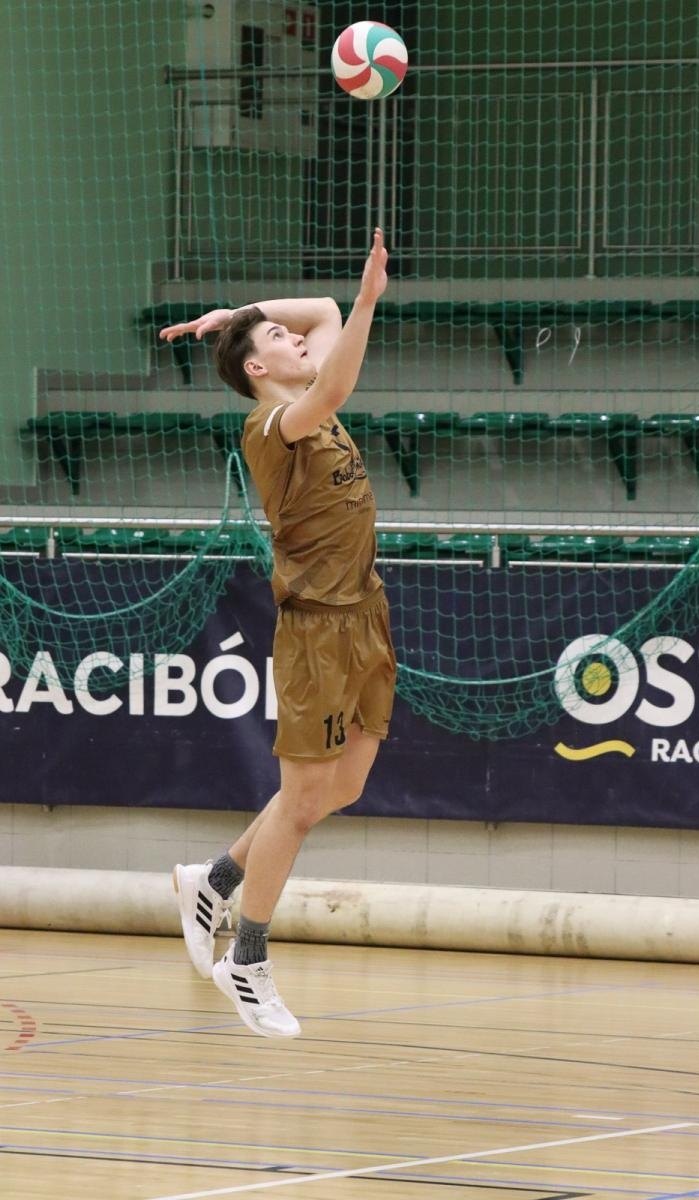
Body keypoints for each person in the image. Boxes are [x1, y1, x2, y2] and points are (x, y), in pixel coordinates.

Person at [158, 229, 396, 1039]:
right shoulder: (272, 429)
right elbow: (337, 344)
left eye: (293, 337)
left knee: (345, 788)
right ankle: (247, 958)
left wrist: (241, 314)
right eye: (278, 339)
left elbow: (320, 308)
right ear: (259, 370)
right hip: (316, 634)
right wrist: (367, 304)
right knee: (300, 802)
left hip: (368, 617)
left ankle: (215, 878)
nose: (300, 336)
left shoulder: (297, 388)